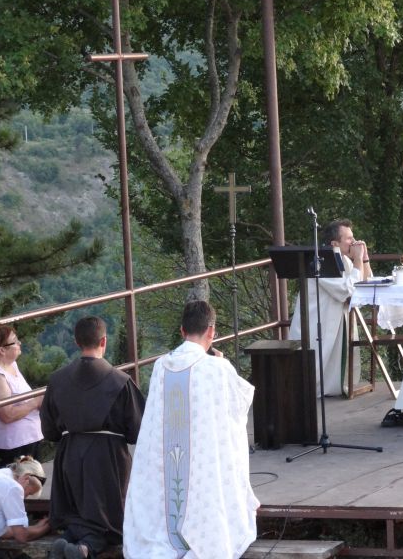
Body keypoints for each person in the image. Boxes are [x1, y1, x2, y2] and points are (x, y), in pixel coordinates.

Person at [123, 300, 259, 559]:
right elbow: (240, 403)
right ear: (211, 331)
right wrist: (223, 365)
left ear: (182, 331)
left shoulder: (161, 366)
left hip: (167, 460)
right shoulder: (218, 368)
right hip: (202, 462)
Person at [40, 316, 145, 559]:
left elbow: (49, 432)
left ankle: (68, 540)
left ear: (77, 342)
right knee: (107, 519)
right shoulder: (121, 381)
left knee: (76, 512)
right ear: (104, 341)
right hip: (107, 457)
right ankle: (85, 548)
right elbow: (137, 431)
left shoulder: (57, 380)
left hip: (69, 452)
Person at [288, 218, 373, 396]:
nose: (354, 242)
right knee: (317, 367)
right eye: (349, 239)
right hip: (316, 323)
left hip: (335, 321)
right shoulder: (321, 262)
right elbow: (346, 289)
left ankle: (338, 387)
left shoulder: (345, 260)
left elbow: (365, 284)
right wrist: (358, 259)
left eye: (353, 237)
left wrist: (364, 259)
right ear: (335, 243)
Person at [0, 327, 44, 468]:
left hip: (29, 438)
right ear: (2, 350)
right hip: (17, 444)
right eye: (15, 341)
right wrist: (35, 402)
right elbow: (6, 415)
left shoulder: (12, 365)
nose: (19, 343)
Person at [0, 455, 50, 553]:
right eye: (28, 493)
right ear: (26, 478)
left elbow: (4, 531)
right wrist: (47, 528)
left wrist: (36, 527)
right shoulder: (13, 487)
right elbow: (22, 536)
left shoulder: (1, 475)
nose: (25, 497)